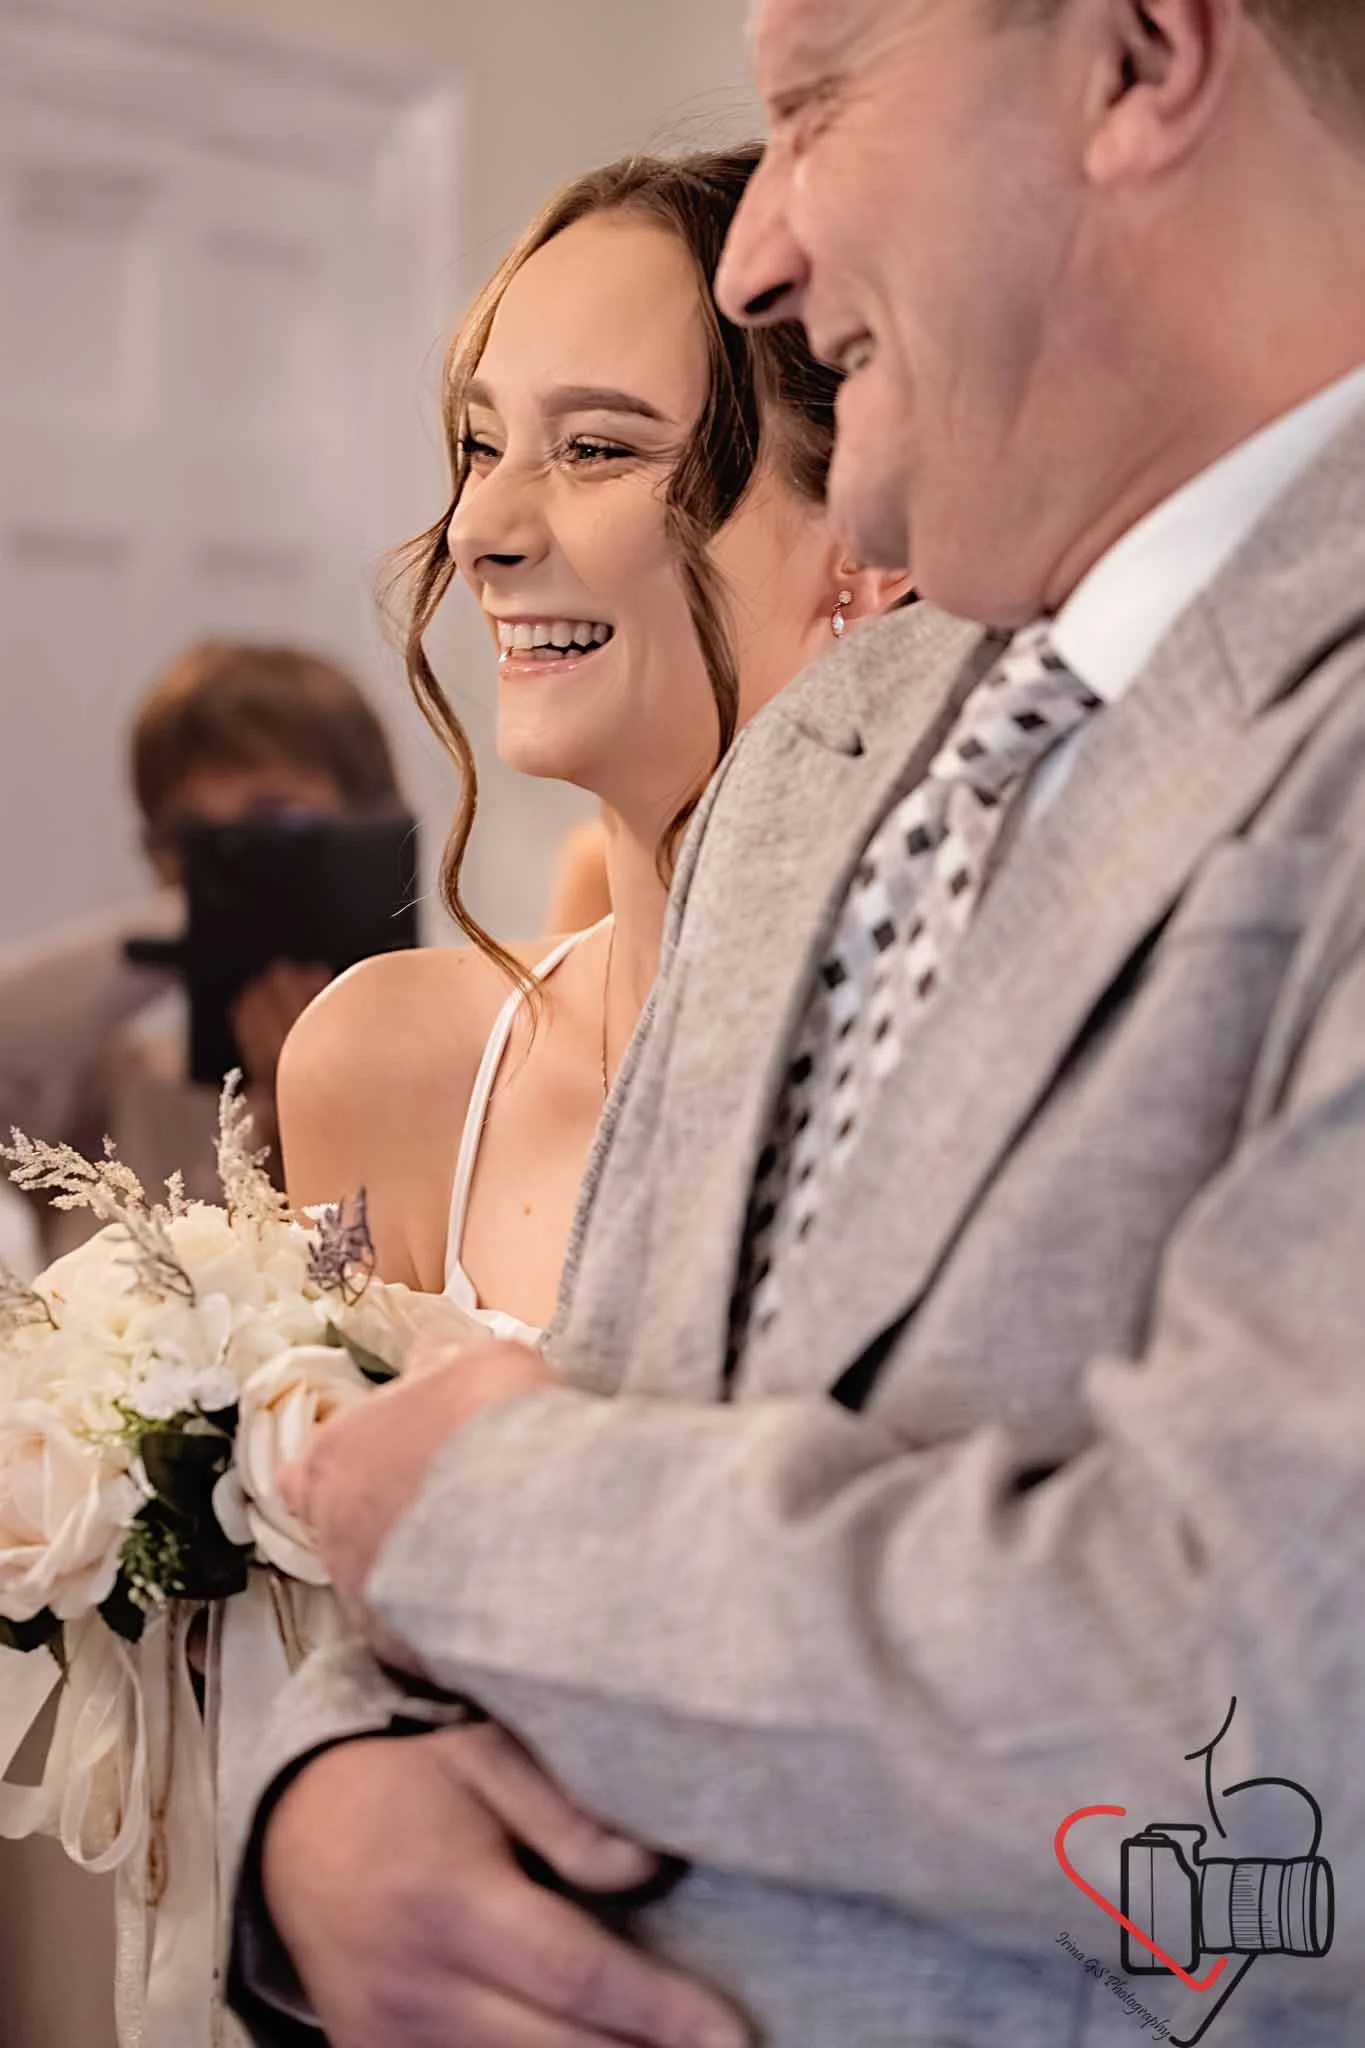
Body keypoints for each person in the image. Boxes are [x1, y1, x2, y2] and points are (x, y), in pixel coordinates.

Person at [234, 6, 1365, 2048]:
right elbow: (549, 1404)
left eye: (814, 108)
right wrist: (317, 1807)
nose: (762, 252)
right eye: (485, 442)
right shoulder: (830, 754)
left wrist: (484, 1523)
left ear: (1133, 61)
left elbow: (1281, 1734)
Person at [274, 148, 907, 1329]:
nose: (478, 530)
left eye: (597, 447)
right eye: (479, 445)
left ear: (870, 544)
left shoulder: (986, 1087)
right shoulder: (384, 1070)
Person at [0, 640, 404, 1254]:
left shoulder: (443, 1060)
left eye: (269, 820)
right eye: (190, 836)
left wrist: (305, 1099)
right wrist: (195, 909)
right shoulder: (118, 1086)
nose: (224, 858)